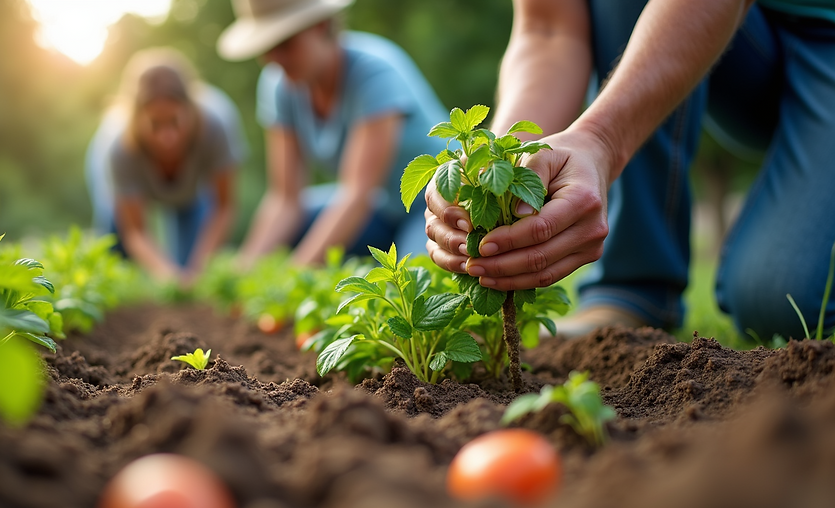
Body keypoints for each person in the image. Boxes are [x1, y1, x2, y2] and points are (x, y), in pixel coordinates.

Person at [422, 0, 835, 340]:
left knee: (781, 301)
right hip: (751, 41)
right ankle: (633, 289)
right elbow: (548, 28)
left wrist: (600, 139)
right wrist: (500, 165)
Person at [216, 0, 448, 265]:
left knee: (419, 272)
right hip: (381, 208)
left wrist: (294, 277)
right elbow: (285, 200)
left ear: (321, 25)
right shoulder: (279, 85)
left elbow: (357, 195)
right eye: (266, 48)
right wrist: (245, 268)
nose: (274, 59)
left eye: (285, 44)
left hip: (429, 203)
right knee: (300, 223)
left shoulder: (373, 72)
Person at [84, 48, 246, 285]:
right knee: (114, 253)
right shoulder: (118, 147)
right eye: (155, 125)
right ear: (137, 119)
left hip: (191, 192)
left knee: (190, 264)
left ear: (190, 111)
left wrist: (195, 271)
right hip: (119, 181)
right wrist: (167, 274)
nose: (167, 138)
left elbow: (224, 207)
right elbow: (135, 231)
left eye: (175, 122)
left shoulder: (215, 126)